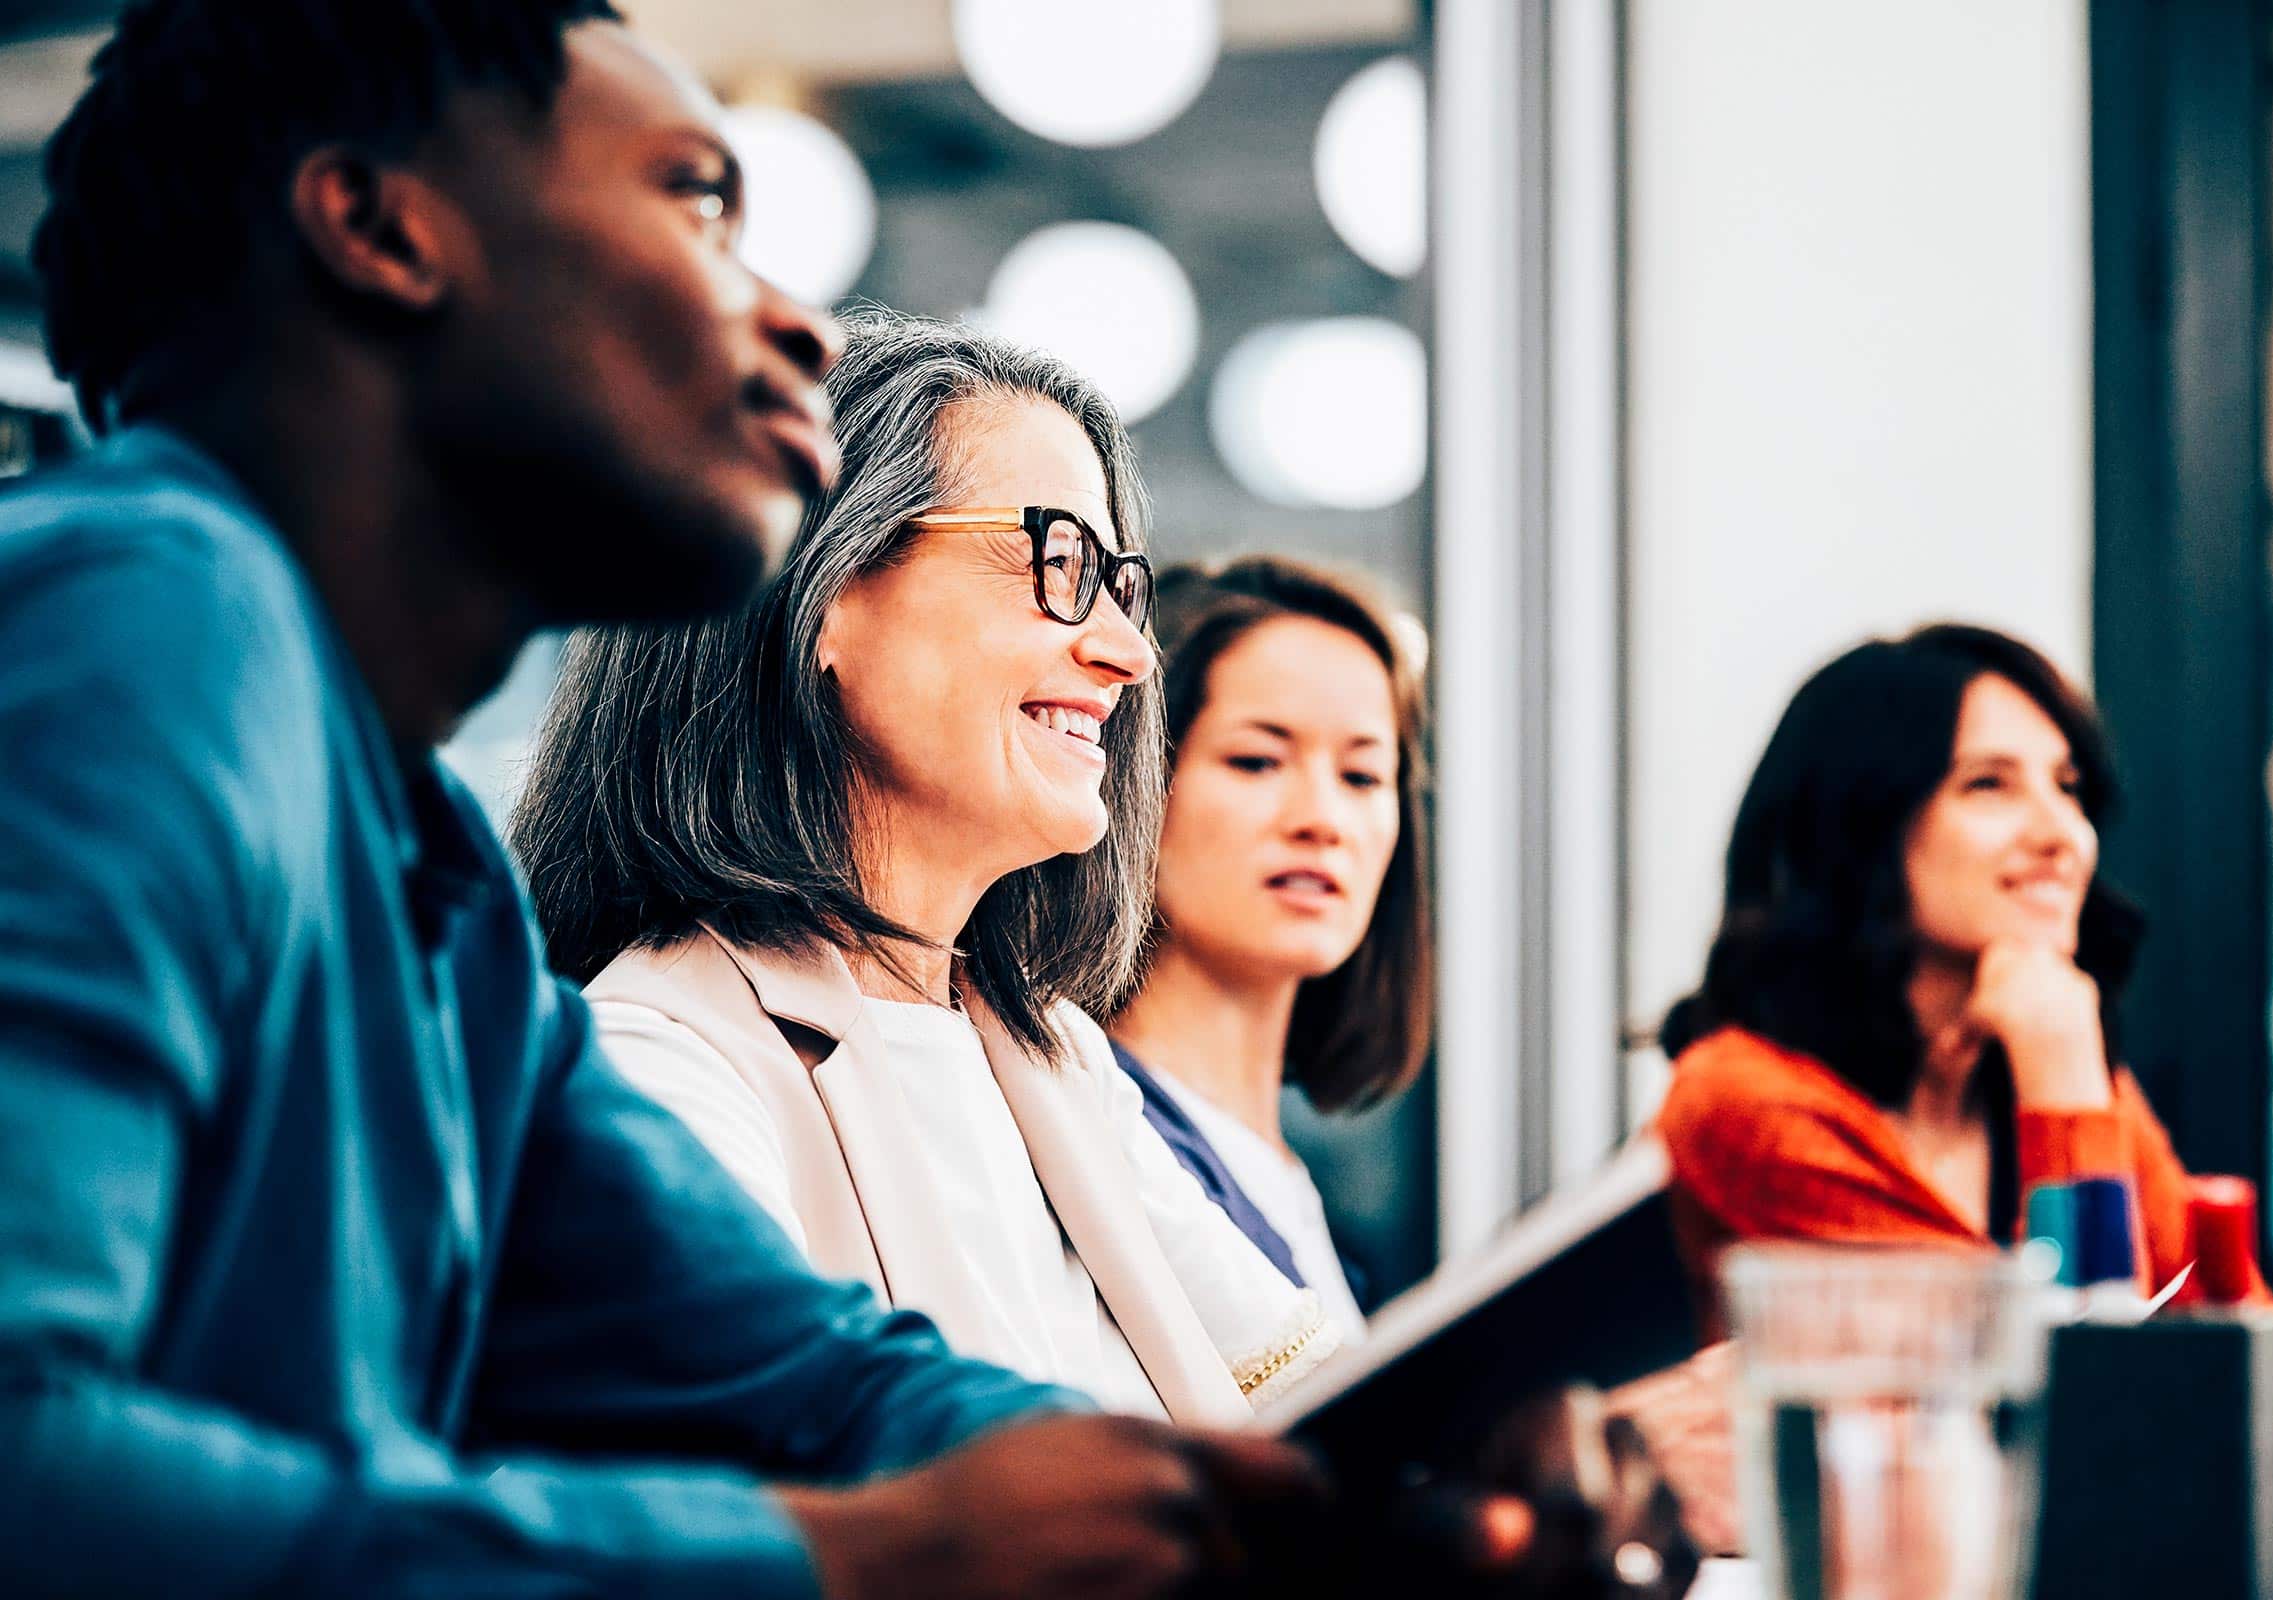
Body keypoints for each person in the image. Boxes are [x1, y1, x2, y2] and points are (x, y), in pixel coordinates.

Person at [0, 4, 1334, 1593]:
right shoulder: (145, 611)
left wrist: (1342, 1501)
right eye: (699, 202)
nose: (794, 330)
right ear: (378, 228)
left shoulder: (431, 877)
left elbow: (801, 1372)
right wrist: (844, 1556)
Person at [508, 315, 1341, 1423]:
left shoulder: (1049, 1053)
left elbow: (1329, 1407)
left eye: (1117, 584)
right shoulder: (660, 1066)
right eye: (1057, 563)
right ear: (818, 586)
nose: (1129, 652)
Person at [1651, 625, 2273, 1343]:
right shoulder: (1741, 1101)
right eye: (1989, 784)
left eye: (2068, 787)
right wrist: (2063, 1075)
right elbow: (2072, 1401)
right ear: (1863, 827)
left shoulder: (2039, 1072)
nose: (2064, 835)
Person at [1104, 557, 1433, 1343]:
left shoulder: (1290, 1188)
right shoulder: (1097, 1133)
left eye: (1361, 775)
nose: (1322, 819)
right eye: (1257, 760)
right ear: (1135, 782)